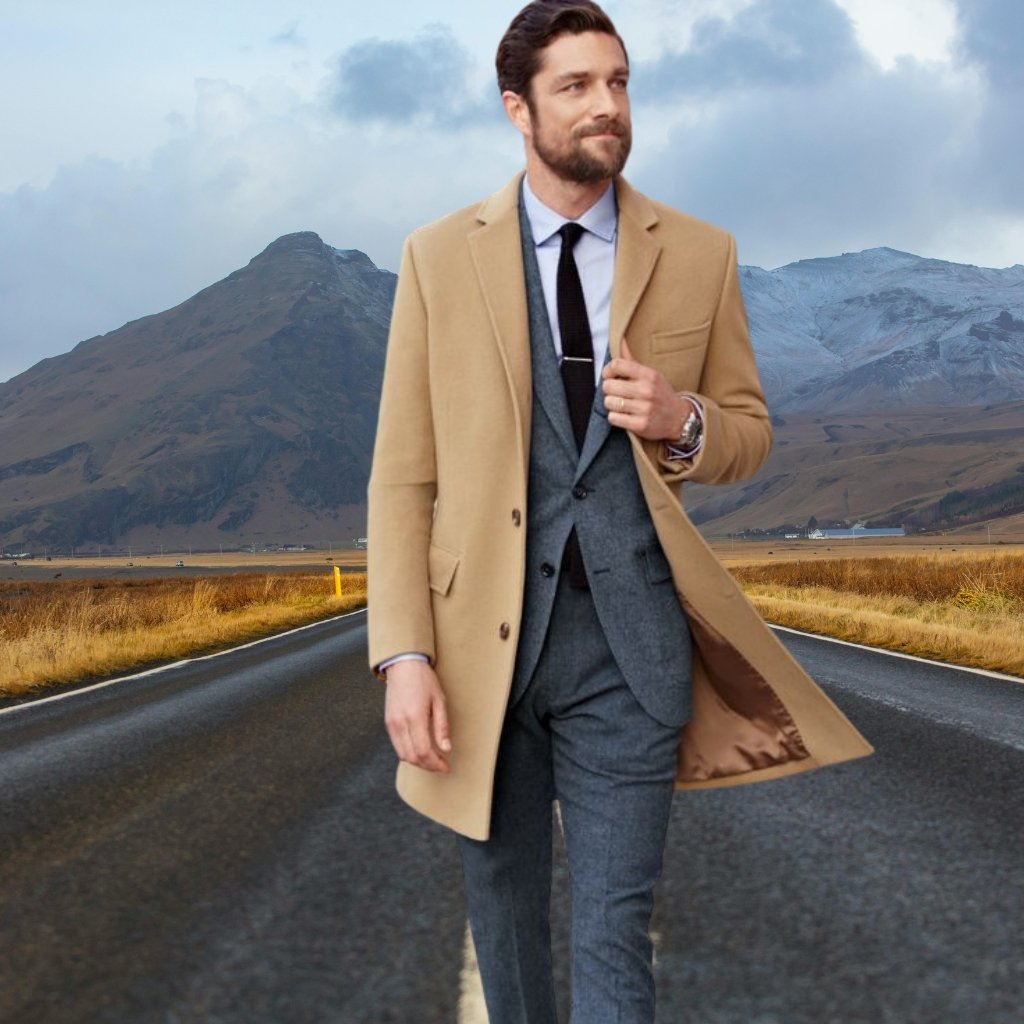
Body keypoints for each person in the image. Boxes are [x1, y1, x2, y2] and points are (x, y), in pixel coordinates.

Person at [367, 2, 873, 1021]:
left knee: (613, 922)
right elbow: (400, 477)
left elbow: (747, 432)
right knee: (502, 910)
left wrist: (684, 420)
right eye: (576, 86)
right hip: (479, 654)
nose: (607, 105)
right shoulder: (435, 257)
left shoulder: (697, 252)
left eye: (619, 81)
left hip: (630, 649)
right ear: (518, 108)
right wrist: (403, 654)